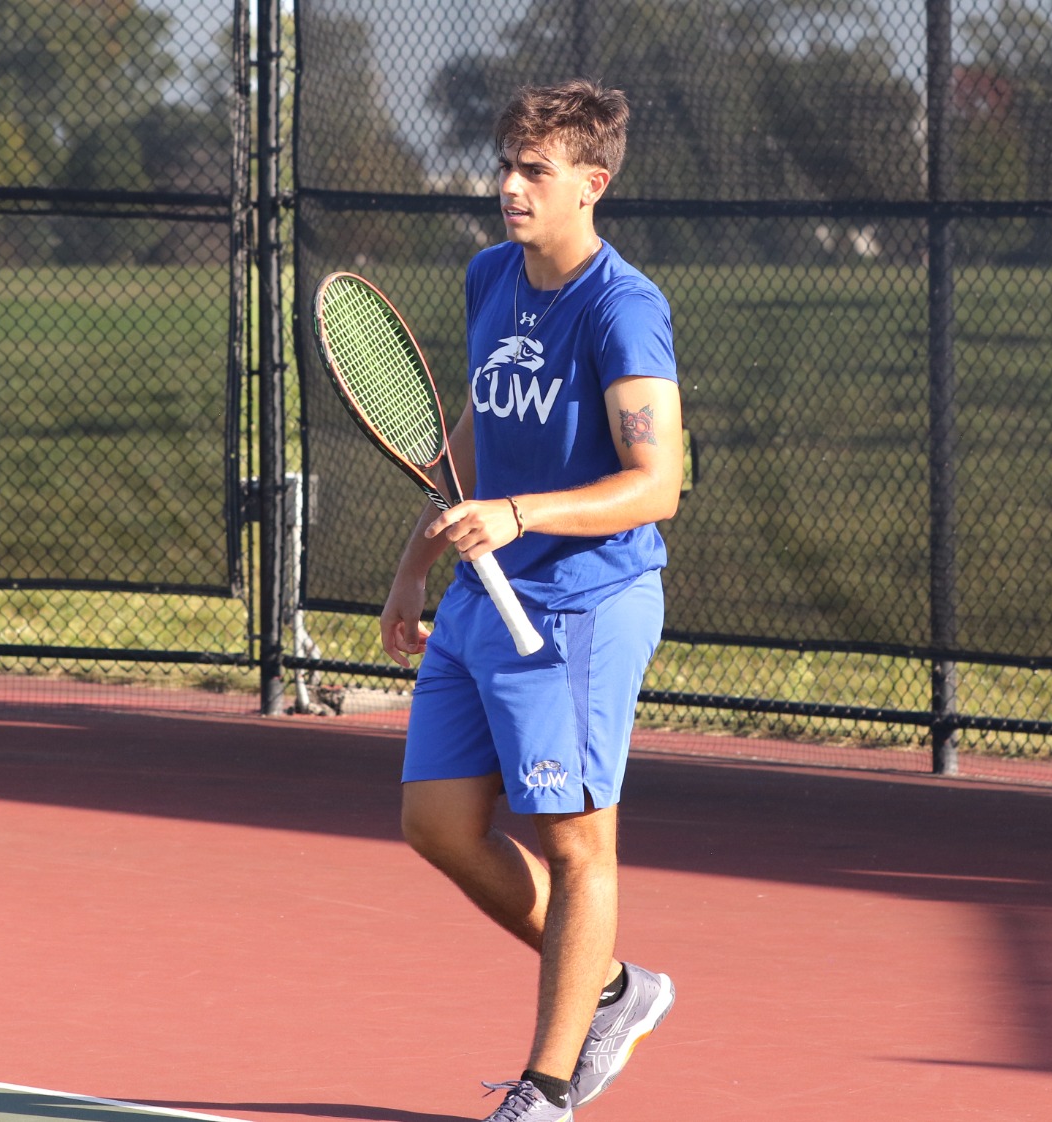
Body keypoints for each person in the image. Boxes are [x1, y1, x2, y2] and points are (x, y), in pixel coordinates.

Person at [379, 79, 681, 1122]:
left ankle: (546, 1090)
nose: (509, 187)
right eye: (505, 164)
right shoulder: (487, 279)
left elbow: (659, 485)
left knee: (574, 844)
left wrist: (514, 515)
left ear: (589, 185)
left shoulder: (622, 307)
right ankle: (610, 988)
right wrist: (417, 559)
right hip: (481, 597)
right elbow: (474, 424)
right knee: (436, 822)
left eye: (534, 171)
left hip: (583, 607)